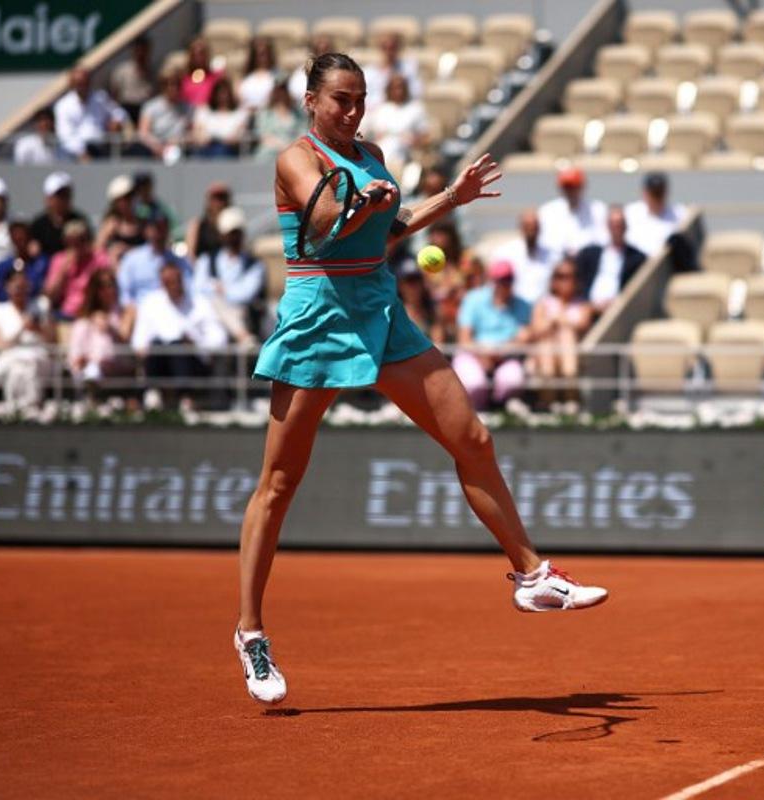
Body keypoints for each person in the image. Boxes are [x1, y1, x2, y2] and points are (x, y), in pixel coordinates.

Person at [236, 53, 606, 705]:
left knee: (472, 438)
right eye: (340, 100)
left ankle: (530, 575)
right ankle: (250, 631)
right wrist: (358, 202)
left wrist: (449, 199)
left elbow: (388, 232)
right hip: (318, 316)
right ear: (312, 101)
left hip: (379, 310)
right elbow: (325, 228)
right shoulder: (296, 160)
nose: (352, 111)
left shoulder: (372, 152)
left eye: (360, 99)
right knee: (280, 482)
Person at [132, 260, 229, 410]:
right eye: (168, 281)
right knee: (158, 345)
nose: (173, 285)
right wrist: (144, 348)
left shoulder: (200, 303)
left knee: (179, 347)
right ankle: (153, 393)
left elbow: (219, 337)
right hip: (158, 360)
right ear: (162, 283)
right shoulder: (150, 303)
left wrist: (197, 344)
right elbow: (139, 340)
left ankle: (186, 397)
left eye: (176, 280)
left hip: (193, 362)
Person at [453, 260, 533, 409]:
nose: (504, 283)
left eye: (508, 279)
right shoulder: (473, 299)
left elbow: (524, 337)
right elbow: (464, 338)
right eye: (500, 280)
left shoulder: (523, 305)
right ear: (492, 280)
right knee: (474, 384)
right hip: (473, 355)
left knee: (512, 380)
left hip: (506, 356)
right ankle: (475, 416)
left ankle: (498, 411)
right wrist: (482, 355)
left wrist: (498, 353)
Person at [193, 206, 265, 342]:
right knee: (216, 305)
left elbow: (247, 294)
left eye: (236, 233)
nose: (233, 238)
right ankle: (242, 336)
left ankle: (242, 335)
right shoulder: (207, 260)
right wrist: (223, 291)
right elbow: (198, 290)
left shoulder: (254, 264)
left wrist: (221, 289)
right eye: (230, 233)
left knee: (220, 304)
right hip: (210, 318)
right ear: (221, 235)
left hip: (243, 314)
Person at [528, 258, 593, 408]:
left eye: (570, 276)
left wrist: (559, 321)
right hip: (545, 356)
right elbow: (535, 331)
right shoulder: (542, 304)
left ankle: (569, 398)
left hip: (572, 355)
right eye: (560, 276)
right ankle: (550, 401)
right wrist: (554, 323)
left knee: (566, 336)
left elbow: (583, 326)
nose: (565, 281)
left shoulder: (583, 305)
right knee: (547, 344)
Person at [0, 271, 55, 412]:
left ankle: (17, 410)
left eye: (23, 286)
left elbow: (52, 341)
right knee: (20, 368)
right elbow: (0, 345)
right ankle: (29, 409)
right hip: (8, 358)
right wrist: (21, 328)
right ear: (7, 287)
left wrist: (38, 329)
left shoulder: (42, 306)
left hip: (37, 357)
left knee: (28, 366)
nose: (20, 290)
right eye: (16, 286)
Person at [67, 269, 136, 394]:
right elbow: (76, 356)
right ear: (96, 290)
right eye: (104, 286)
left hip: (119, 365)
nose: (110, 290)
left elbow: (126, 339)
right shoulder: (84, 320)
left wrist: (109, 327)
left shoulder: (126, 312)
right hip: (91, 367)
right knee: (92, 369)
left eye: (112, 285)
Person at [575, 206, 647, 313]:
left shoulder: (636, 258)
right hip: (588, 309)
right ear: (607, 226)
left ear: (625, 226)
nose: (616, 228)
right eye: (613, 224)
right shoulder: (590, 254)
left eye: (619, 224)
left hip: (618, 311)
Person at [53, 67, 128, 161]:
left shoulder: (100, 98)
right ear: (72, 85)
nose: (83, 86)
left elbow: (120, 113)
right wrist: (81, 152)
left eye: (85, 82)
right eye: (79, 83)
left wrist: (116, 122)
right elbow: (65, 135)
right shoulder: (63, 105)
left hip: (102, 147)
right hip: (75, 154)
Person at [118, 216, 192, 309]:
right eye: (155, 227)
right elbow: (124, 293)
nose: (159, 232)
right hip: (140, 312)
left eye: (163, 227)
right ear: (146, 230)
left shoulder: (180, 261)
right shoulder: (132, 260)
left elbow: (190, 287)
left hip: (174, 310)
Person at [44, 220, 111, 321]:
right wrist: (62, 271)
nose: (76, 247)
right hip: (66, 314)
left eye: (80, 241)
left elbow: (108, 288)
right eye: (71, 242)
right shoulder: (59, 259)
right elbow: (50, 295)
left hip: (91, 314)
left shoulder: (99, 258)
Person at [491, 209, 560, 304]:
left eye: (534, 227)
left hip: (543, 310)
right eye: (527, 226)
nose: (531, 231)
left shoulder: (553, 255)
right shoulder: (504, 253)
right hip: (513, 310)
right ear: (520, 227)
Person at [537, 166, 608, 257]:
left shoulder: (598, 209)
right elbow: (543, 242)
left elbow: (604, 240)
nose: (570, 191)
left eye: (574, 186)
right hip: (556, 262)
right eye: (567, 187)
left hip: (588, 262)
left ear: (582, 187)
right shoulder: (547, 211)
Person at [624, 172, 690, 264]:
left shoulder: (679, 213)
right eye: (653, 193)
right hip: (636, 264)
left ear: (666, 192)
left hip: (666, 266)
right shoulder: (631, 212)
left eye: (659, 193)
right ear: (645, 192)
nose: (656, 198)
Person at [362, 73, 429, 165]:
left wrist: (414, 141)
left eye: (401, 87)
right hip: (381, 149)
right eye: (395, 88)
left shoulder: (416, 109)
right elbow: (366, 134)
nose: (398, 91)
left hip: (406, 152)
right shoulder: (380, 109)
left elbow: (426, 136)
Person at [30, 172, 90, 258]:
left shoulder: (80, 221)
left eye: (66, 194)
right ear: (48, 198)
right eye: (59, 195)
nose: (64, 199)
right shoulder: (38, 225)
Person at [136, 71, 190, 162]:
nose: (174, 88)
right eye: (170, 85)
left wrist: (180, 141)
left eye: (177, 85)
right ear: (164, 87)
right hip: (153, 152)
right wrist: (159, 148)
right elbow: (143, 133)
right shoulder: (151, 106)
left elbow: (192, 132)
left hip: (182, 151)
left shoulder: (187, 108)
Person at [0, 223, 49, 303]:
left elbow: (40, 287)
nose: (19, 243)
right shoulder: (3, 266)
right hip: (8, 307)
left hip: (31, 305)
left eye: (22, 238)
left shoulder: (39, 263)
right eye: (16, 239)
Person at [191, 77, 249, 159]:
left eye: (225, 93)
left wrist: (226, 140)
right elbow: (197, 132)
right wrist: (202, 139)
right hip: (205, 149)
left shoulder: (239, 112)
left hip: (228, 150)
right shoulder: (203, 111)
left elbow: (238, 135)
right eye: (219, 93)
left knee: (220, 151)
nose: (222, 96)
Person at [95, 174, 145, 265]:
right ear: (116, 202)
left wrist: (128, 250)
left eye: (131, 195)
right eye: (125, 197)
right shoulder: (111, 225)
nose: (130, 201)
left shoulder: (144, 223)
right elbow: (97, 250)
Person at [362, 32, 422, 107]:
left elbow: (416, 92)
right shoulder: (368, 73)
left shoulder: (409, 69)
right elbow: (366, 99)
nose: (389, 51)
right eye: (385, 47)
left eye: (392, 47)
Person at [253, 81, 307, 161]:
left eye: (284, 90)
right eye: (279, 91)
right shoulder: (266, 113)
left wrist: (290, 146)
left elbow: (303, 132)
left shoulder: (298, 113)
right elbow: (263, 136)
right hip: (270, 151)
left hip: (294, 149)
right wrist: (282, 146)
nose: (282, 94)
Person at [110, 35, 155, 123]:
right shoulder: (122, 71)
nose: (141, 54)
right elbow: (114, 95)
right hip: (126, 110)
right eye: (138, 50)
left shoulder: (154, 72)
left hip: (146, 111)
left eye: (144, 50)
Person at [184, 182, 230, 261]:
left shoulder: (231, 227)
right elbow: (190, 254)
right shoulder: (198, 225)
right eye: (215, 198)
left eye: (222, 198)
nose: (218, 203)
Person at [180, 38, 224, 107]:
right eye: (194, 54)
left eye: (201, 53)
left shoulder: (217, 78)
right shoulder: (182, 80)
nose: (198, 58)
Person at [239, 37, 280, 111]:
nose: (262, 58)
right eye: (258, 54)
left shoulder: (277, 75)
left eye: (264, 54)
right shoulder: (246, 78)